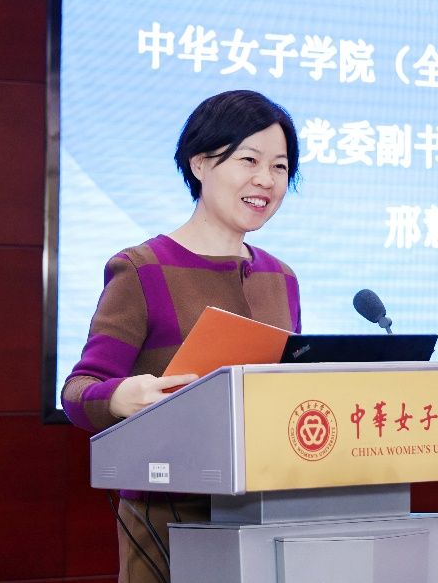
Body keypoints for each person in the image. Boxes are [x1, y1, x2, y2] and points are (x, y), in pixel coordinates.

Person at [61, 89, 301, 583]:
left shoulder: (282, 277)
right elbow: (79, 391)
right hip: (167, 520)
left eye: (280, 167)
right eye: (249, 160)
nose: (266, 179)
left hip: (267, 514)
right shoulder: (142, 269)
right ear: (200, 163)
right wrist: (121, 397)